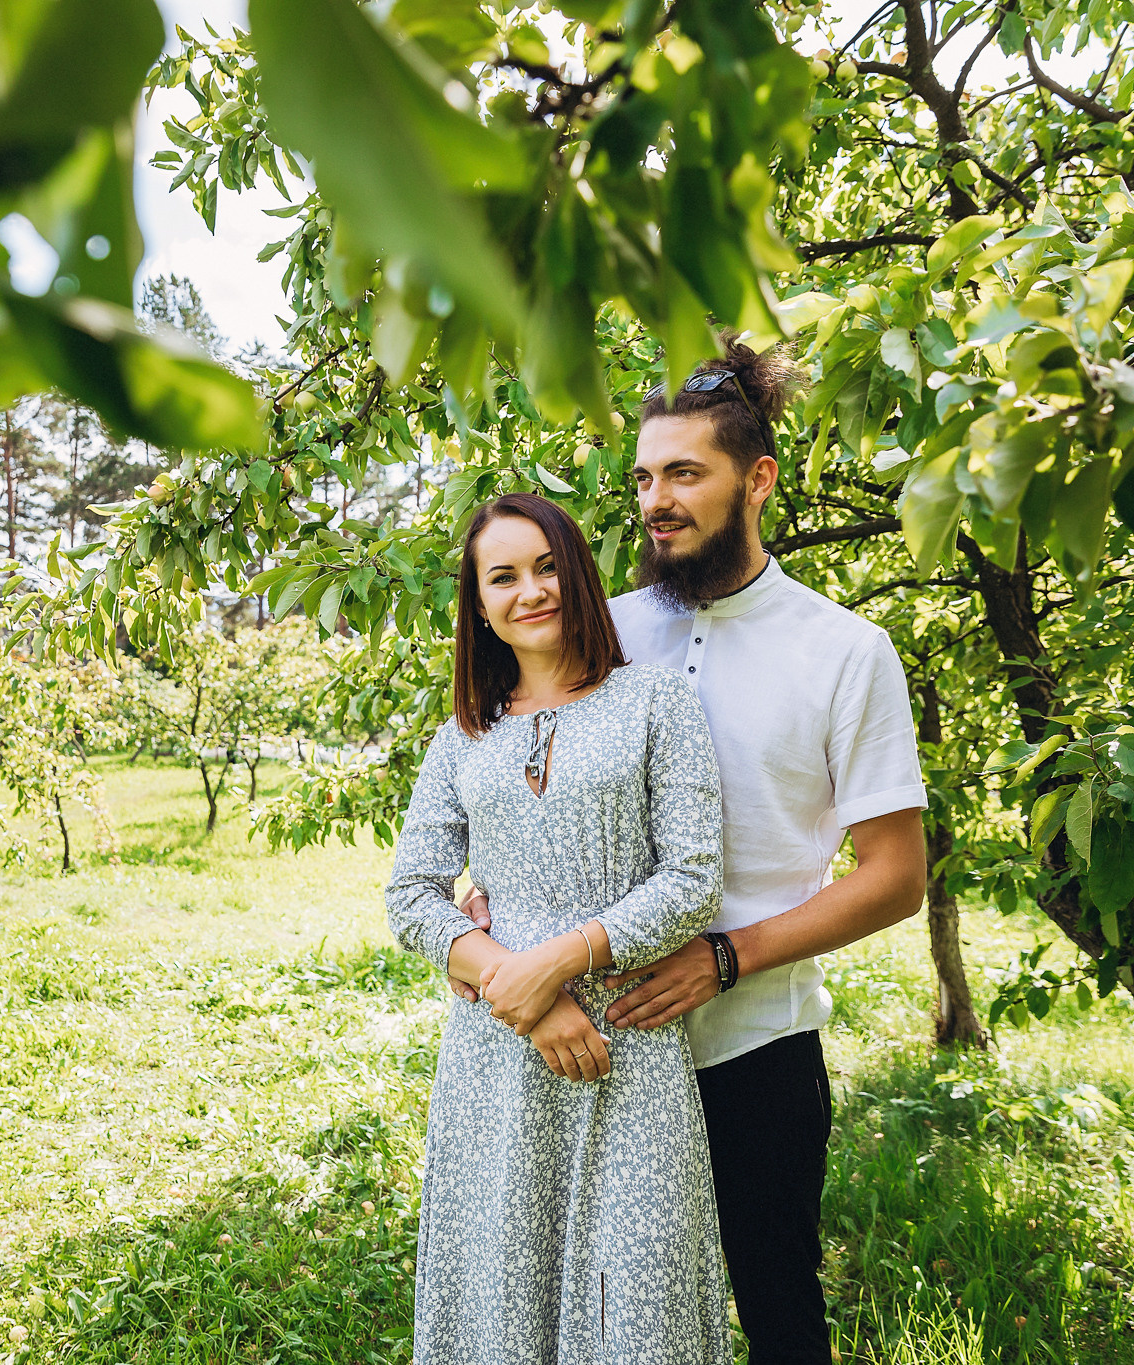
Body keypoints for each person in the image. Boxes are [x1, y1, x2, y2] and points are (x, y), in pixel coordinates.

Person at [454, 343, 928, 1365]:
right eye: (642, 478)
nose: (654, 502)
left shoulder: (845, 652)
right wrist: (482, 902)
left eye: (683, 474)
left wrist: (724, 956)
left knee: (777, 1311)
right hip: (596, 1040)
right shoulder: (601, 633)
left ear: (757, 479)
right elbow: (510, 778)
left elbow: (895, 878)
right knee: (596, 1317)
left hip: (755, 1044)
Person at [385, 492, 731, 1365]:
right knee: (504, 1296)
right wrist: (525, 992)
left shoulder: (654, 702)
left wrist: (562, 959)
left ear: (577, 573)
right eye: (502, 577)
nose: (530, 590)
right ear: (479, 605)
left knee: (634, 1311)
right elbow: (413, 895)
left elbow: (693, 879)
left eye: (546, 566)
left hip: (629, 1047)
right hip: (497, 1056)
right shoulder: (462, 737)